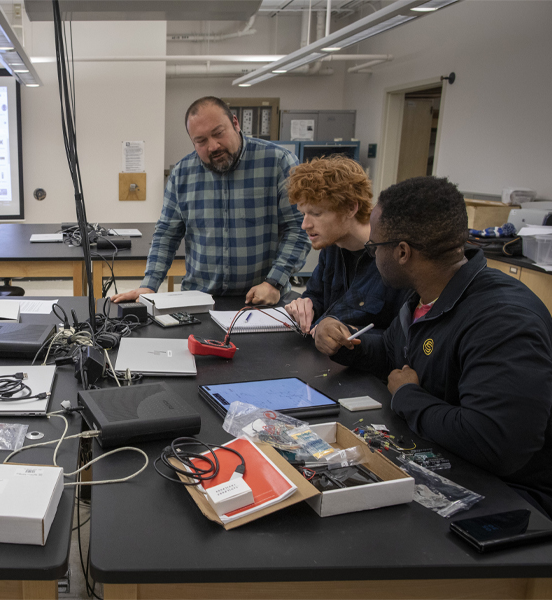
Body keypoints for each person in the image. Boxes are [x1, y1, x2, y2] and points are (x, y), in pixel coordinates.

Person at [326, 176, 552, 516]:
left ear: (402, 252)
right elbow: (394, 353)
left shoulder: (503, 320)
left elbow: (496, 443)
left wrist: (408, 397)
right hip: (448, 459)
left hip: (512, 497)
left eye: (375, 248)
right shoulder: (425, 297)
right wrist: (347, 345)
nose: (373, 257)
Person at [112, 96, 309, 305]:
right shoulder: (181, 174)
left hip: (263, 299)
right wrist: (149, 285)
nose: (213, 146)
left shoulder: (278, 162)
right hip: (199, 301)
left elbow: (299, 228)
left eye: (218, 133)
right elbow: (166, 234)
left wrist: (274, 282)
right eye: (201, 141)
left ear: (235, 123)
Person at [283, 156, 409, 353]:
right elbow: (316, 295)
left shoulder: (394, 259)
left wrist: (344, 333)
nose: (305, 225)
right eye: (303, 214)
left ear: (351, 208)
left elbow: (403, 338)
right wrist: (306, 306)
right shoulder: (333, 245)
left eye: (316, 214)